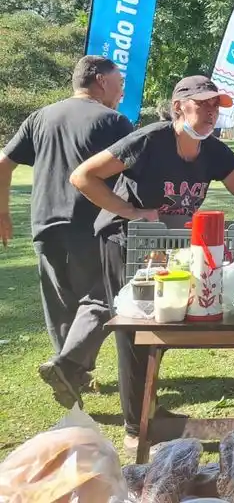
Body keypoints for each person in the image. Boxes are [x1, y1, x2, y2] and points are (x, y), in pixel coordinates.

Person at [70, 75, 234, 450]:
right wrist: (130, 210)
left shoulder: (213, 151)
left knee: (163, 323)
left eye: (217, 106)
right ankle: (136, 426)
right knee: (136, 329)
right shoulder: (149, 140)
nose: (212, 112)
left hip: (167, 245)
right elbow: (83, 176)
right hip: (125, 241)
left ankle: (150, 408)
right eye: (204, 104)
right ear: (179, 106)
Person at [0, 55, 132, 408]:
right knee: (103, 297)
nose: (121, 90)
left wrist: (2, 212)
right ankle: (67, 366)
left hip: (44, 223)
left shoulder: (40, 117)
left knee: (61, 303)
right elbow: (132, 173)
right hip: (87, 223)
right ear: (100, 81)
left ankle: (69, 376)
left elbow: (3, 162)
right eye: (118, 82)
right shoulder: (112, 121)